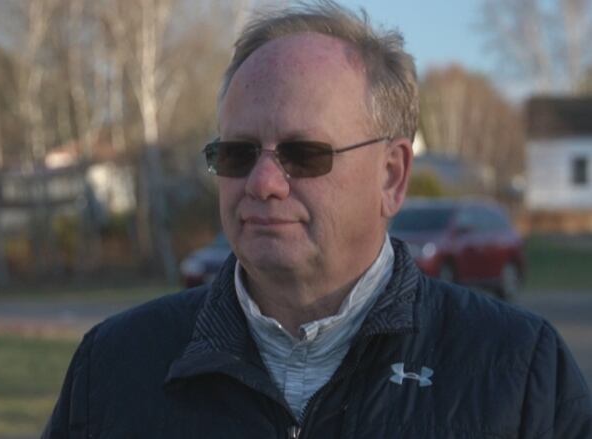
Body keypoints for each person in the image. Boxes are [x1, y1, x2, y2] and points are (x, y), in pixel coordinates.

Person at [42, 2, 592, 437]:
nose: (262, 182)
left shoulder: (518, 372)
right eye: (237, 153)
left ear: (392, 176)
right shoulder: (115, 366)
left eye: (304, 155)